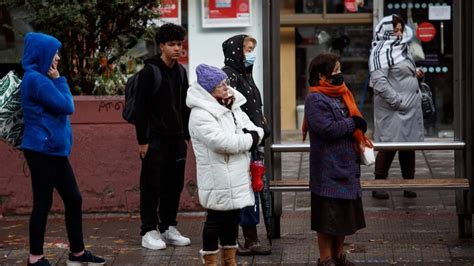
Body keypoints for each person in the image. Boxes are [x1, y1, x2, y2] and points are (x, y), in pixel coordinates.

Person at [21, 32, 106, 266]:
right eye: (54, 53)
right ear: (41, 54)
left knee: (73, 199)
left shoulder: (39, 79)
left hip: (53, 151)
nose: (57, 57)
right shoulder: (36, 79)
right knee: (43, 203)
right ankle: (35, 258)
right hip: (41, 150)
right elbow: (67, 106)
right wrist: (59, 79)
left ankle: (77, 254)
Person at [187, 64, 264, 265]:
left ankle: (230, 261)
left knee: (232, 219)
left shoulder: (231, 105)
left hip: (236, 173)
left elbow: (254, 128)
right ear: (209, 89)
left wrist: (253, 135)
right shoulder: (200, 114)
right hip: (217, 176)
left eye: (225, 83)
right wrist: (251, 139)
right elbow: (223, 143)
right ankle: (211, 261)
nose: (226, 87)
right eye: (221, 84)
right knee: (214, 220)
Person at [303, 53, 368, 266]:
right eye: (336, 70)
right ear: (322, 75)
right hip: (327, 170)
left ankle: (339, 255)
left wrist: (356, 124)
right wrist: (353, 123)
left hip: (346, 167)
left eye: (340, 69)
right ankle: (326, 258)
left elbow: (349, 121)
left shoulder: (341, 93)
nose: (340, 74)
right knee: (327, 218)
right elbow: (328, 129)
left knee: (343, 217)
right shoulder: (315, 98)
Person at [134, 23, 191, 250]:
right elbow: (141, 109)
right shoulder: (150, 71)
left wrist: (185, 136)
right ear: (161, 46)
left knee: (173, 184)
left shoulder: (181, 71)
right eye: (172, 44)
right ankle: (149, 230)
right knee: (151, 185)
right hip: (154, 139)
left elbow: (185, 106)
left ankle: (168, 227)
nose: (177, 48)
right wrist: (142, 140)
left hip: (176, 139)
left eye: (179, 44)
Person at [222, 34, 272, 256]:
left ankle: (251, 238)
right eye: (246, 49)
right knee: (245, 190)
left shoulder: (245, 75)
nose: (250, 54)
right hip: (243, 143)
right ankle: (244, 238)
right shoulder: (228, 77)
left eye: (252, 50)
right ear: (234, 51)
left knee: (254, 187)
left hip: (254, 141)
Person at [369, 14, 424, 200]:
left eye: (400, 29)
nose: (399, 33)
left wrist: (416, 75)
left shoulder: (401, 48)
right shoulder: (379, 52)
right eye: (395, 30)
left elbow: (401, 73)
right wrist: (398, 101)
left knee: (408, 147)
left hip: (408, 108)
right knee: (389, 146)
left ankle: (409, 185)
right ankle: (378, 186)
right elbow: (379, 82)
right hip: (393, 110)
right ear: (385, 31)